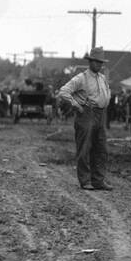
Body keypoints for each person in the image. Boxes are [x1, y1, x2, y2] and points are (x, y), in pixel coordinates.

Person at [57, 51, 112, 190]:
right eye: (96, 62)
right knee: (85, 148)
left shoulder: (102, 78)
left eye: (101, 62)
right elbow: (63, 92)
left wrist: (105, 102)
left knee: (101, 149)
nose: (99, 65)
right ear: (90, 62)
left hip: (100, 114)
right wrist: (77, 105)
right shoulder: (81, 78)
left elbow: (107, 93)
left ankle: (98, 180)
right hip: (87, 114)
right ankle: (85, 180)